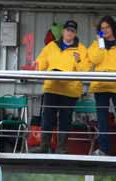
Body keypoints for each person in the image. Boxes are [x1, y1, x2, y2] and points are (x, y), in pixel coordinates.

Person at [32, 20, 91, 154]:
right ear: (63, 31)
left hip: (70, 90)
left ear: (75, 33)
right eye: (67, 30)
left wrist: (79, 61)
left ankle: (61, 149)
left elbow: (86, 70)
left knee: (65, 120)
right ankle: (44, 146)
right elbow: (41, 61)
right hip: (52, 87)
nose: (69, 33)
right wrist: (37, 65)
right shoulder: (51, 46)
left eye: (72, 31)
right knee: (47, 118)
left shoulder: (81, 49)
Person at [88, 16, 116, 156]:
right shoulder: (96, 44)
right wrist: (100, 42)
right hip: (100, 85)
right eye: (102, 28)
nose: (104, 30)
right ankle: (104, 149)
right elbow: (95, 59)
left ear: (112, 27)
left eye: (107, 27)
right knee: (102, 119)